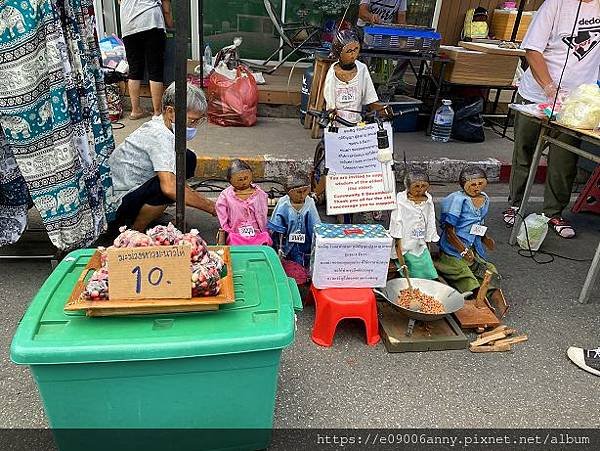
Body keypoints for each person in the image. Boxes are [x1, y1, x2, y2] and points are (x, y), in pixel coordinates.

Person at [504, 0, 600, 238]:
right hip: (536, 94)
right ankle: (515, 205)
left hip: (577, 102)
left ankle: (553, 212)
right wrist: (548, 86)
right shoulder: (555, 4)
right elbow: (533, 49)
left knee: (564, 160)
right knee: (525, 152)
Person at [108, 82, 216, 232]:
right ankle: (134, 231)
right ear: (171, 112)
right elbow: (170, 187)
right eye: (192, 121)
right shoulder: (160, 135)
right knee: (166, 187)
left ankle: (152, 213)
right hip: (117, 202)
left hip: (136, 186)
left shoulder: (163, 123)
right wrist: (212, 207)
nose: (194, 126)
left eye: (198, 121)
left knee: (187, 158)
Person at [435, 167, 508, 317]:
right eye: (473, 185)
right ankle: (475, 296)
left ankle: (494, 296)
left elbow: (479, 223)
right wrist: (462, 250)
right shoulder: (458, 200)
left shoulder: (485, 199)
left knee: (489, 269)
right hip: (453, 250)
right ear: (463, 185)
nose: (477, 188)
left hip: (472, 246)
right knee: (465, 274)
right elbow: (449, 231)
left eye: (480, 184)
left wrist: (484, 238)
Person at [119, 0, 174, 119]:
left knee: (134, 69)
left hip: (129, 25)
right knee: (155, 69)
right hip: (151, 23)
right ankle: (157, 112)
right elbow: (166, 10)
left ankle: (135, 110)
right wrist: (172, 25)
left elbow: (120, 2)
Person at [389, 169, 439, 280]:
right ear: (408, 186)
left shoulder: (428, 200)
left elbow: (430, 219)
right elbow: (396, 223)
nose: (420, 190)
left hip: (420, 243)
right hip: (406, 243)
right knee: (414, 267)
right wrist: (398, 242)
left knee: (427, 265)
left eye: (424, 186)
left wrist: (429, 236)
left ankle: (427, 284)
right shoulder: (401, 200)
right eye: (416, 186)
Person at [215, 159, 272, 246]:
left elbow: (263, 215)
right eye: (239, 180)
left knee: (266, 239)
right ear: (230, 180)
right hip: (236, 234)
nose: (244, 182)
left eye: (246, 178)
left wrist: (263, 230)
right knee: (233, 241)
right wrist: (228, 230)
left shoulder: (260, 194)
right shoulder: (225, 196)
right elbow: (222, 216)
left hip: (257, 233)